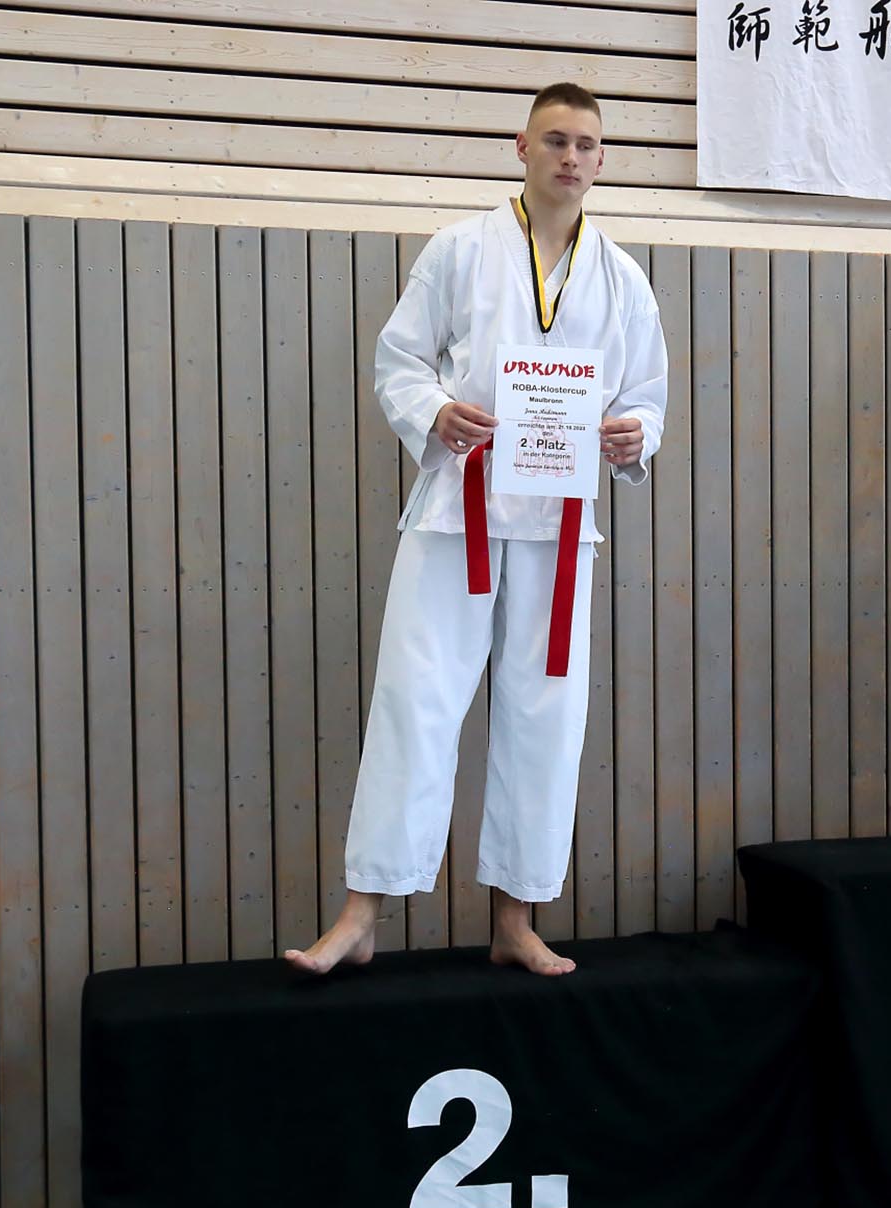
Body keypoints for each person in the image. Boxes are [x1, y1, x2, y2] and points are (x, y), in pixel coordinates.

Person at [285, 83, 666, 975]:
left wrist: (633, 435)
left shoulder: (622, 277)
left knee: (544, 718)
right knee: (415, 702)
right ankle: (362, 913)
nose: (571, 157)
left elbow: (647, 395)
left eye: (586, 144)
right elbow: (400, 360)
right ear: (522, 147)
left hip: (559, 530)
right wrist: (435, 411)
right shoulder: (458, 250)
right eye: (555, 140)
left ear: (602, 160)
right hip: (458, 510)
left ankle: (515, 919)